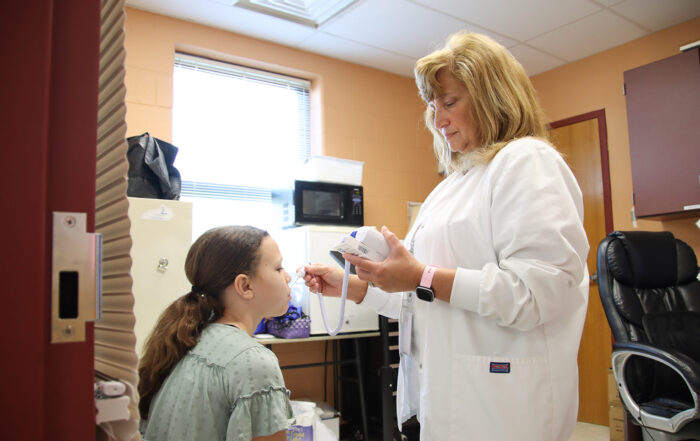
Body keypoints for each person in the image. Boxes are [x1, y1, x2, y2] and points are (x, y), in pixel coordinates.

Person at [302, 32, 589, 441]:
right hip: (449, 398)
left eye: (450, 102)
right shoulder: (453, 184)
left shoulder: (527, 161)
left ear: (493, 97)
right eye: (433, 106)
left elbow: (536, 294)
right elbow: (424, 297)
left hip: (505, 408)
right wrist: (358, 288)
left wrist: (422, 276)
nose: (438, 121)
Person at [138, 225, 295, 441]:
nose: (288, 277)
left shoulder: (188, 339)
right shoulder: (253, 361)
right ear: (245, 286)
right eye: (279, 268)